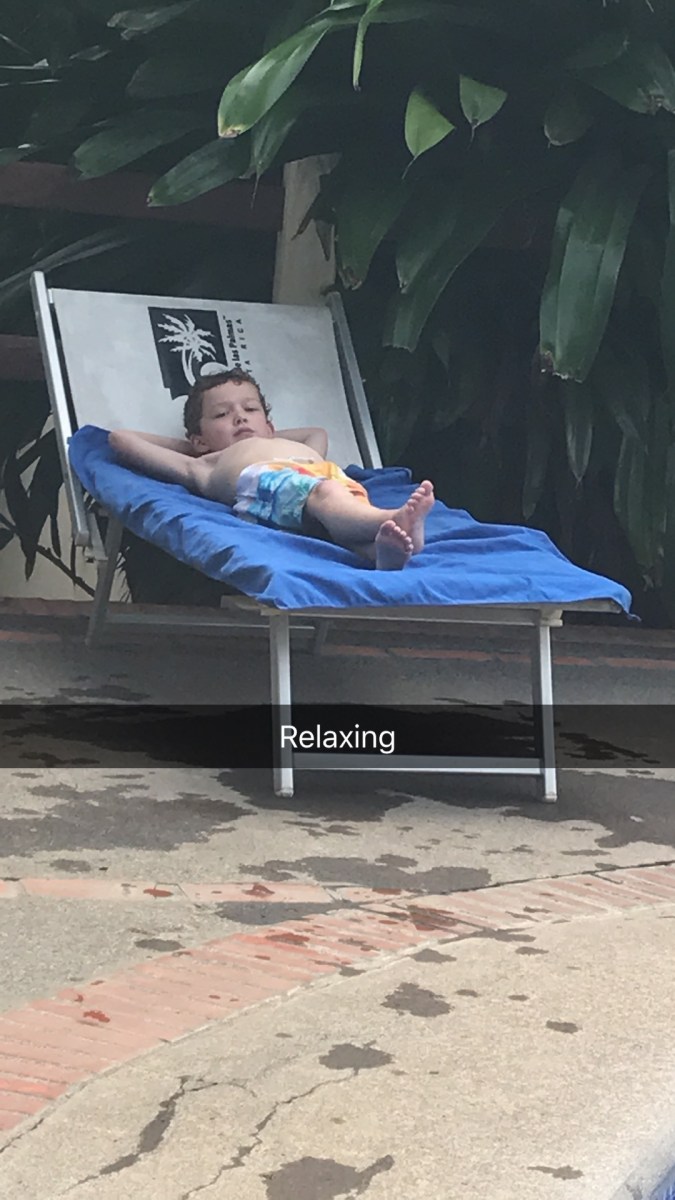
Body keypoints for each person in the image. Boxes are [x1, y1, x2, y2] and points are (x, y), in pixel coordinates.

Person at [108, 367, 435, 570]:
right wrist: (197, 447)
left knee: (339, 521)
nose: (239, 417)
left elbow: (317, 432)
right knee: (326, 494)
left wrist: (265, 435)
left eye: (250, 409)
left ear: (270, 424)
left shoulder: (296, 445)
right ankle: (390, 518)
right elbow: (121, 439)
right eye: (222, 415)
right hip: (270, 483)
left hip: (327, 482)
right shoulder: (202, 465)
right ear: (199, 439)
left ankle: (382, 554)